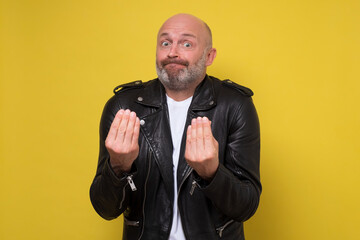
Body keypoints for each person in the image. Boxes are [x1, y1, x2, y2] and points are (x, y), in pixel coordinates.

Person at [90, 13, 261, 240]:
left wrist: (212, 173)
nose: (172, 52)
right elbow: (106, 209)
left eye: (187, 43)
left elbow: (245, 207)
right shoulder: (123, 106)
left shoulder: (235, 106)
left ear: (209, 56)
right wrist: (118, 167)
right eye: (165, 43)